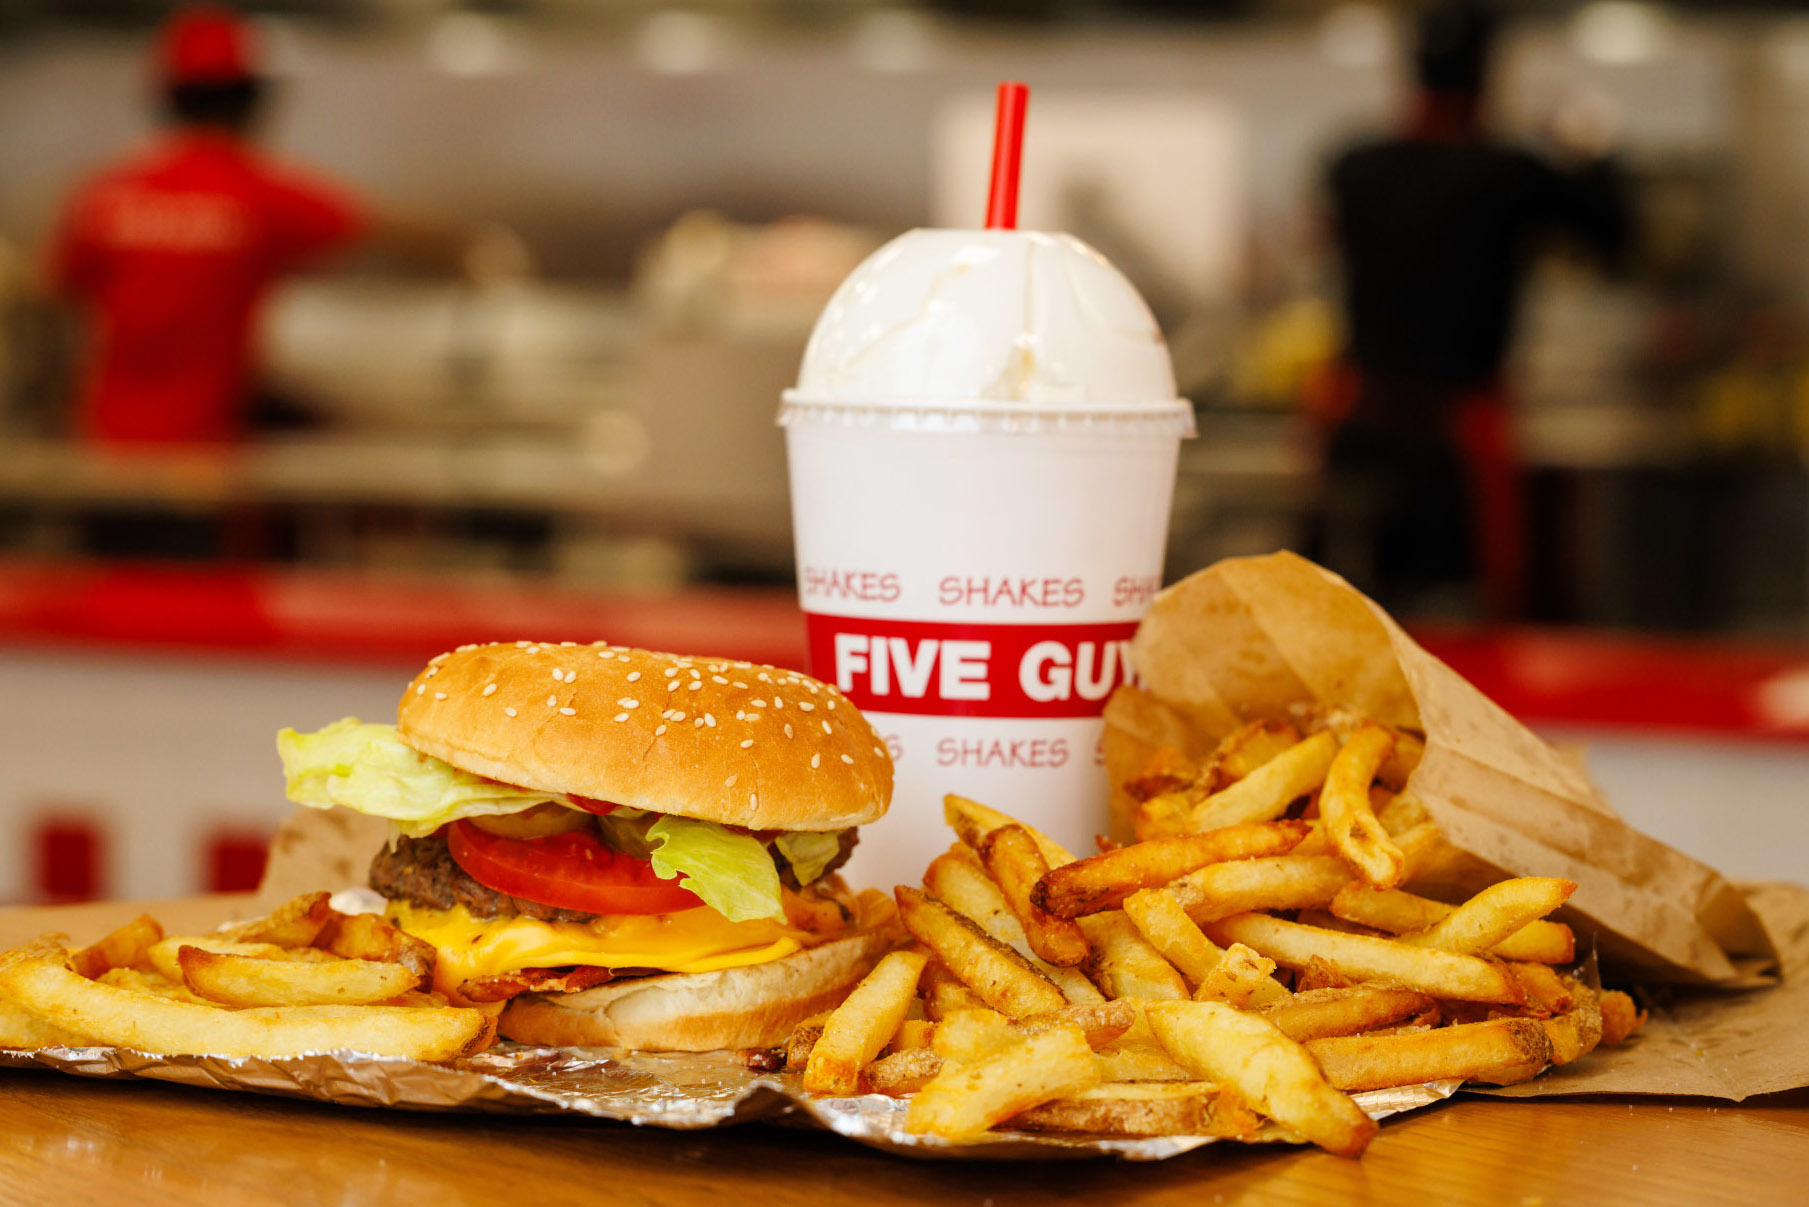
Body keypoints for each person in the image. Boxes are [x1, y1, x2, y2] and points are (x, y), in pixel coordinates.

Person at [42, 5, 519, 448]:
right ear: (253, 101)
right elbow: (377, 225)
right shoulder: (255, 193)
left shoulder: (104, 195)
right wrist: (479, 246)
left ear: (166, 99)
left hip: (102, 441)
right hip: (201, 450)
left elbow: (60, 290)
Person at [1316, 0, 1629, 618]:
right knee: (1465, 625)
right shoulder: (1510, 173)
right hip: (1457, 447)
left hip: (1359, 429)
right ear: (1488, 77)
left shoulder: (1353, 164)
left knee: (1340, 614)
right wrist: (1590, 151)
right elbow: (1615, 237)